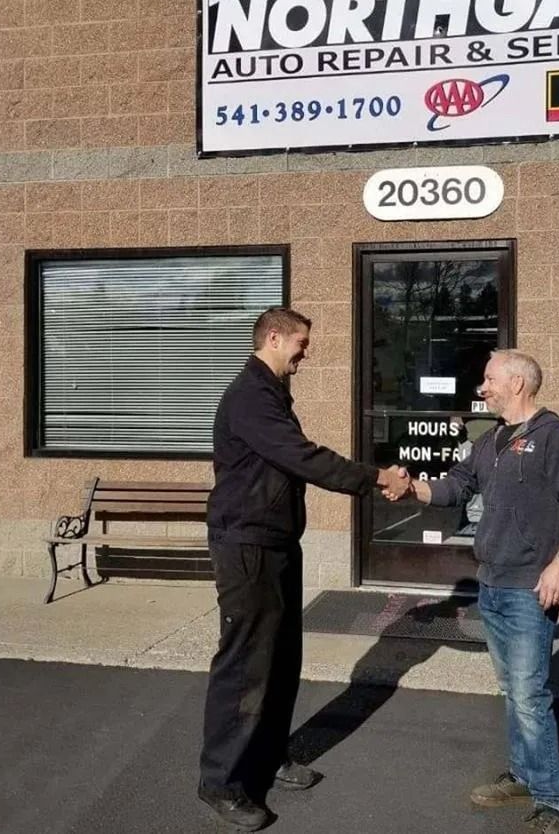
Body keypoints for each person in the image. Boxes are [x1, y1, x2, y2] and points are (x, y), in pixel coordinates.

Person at [198, 306, 409, 831]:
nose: (306, 353)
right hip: (246, 547)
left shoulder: (271, 394)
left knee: (281, 659)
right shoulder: (250, 396)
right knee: (246, 664)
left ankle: (268, 757)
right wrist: (377, 477)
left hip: (275, 544)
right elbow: (303, 458)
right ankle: (221, 781)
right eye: (301, 343)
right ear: (274, 337)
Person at [402, 350, 559, 834]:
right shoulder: (491, 441)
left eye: (489, 379)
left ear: (518, 384)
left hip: (530, 587)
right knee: (513, 690)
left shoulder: (556, 437)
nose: (481, 387)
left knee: (530, 693)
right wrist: (408, 488)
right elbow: (455, 487)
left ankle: (551, 798)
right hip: (491, 583)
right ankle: (523, 775)